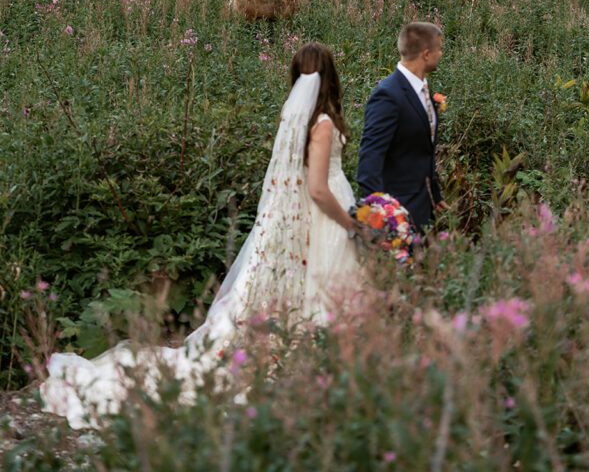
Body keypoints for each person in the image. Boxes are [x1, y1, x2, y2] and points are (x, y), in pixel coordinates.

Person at [39, 43, 361, 429]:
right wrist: (350, 223)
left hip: (303, 223)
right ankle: (316, 360)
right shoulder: (322, 124)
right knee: (320, 291)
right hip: (324, 221)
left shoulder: (296, 119)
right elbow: (318, 189)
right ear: (330, 76)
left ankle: (315, 356)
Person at [357, 22, 448, 232]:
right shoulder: (388, 95)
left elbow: (421, 150)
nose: (441, 54)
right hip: (397, 212)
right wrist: (385, 216)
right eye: (440, 49)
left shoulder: (422, 90)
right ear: (426, 54)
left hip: (422, 206)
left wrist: (433, 193)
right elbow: (369, 161)